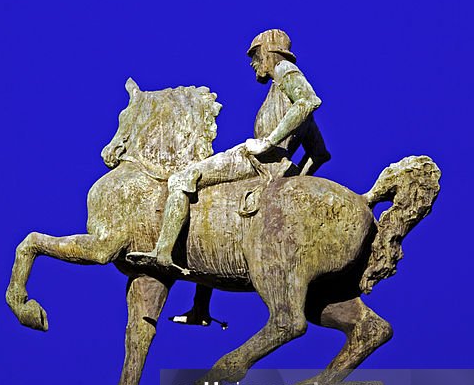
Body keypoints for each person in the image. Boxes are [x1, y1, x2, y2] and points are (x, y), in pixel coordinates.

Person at [128, 29, 331, 325]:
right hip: (271, 170)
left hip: (255, 160)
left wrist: (269, 142)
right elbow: (320, 153)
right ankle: (200, 308)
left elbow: (309, 100)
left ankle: (162, 253)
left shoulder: (286, 71)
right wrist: (293, 177)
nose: (252, 63)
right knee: (208, 203)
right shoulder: (284, 99)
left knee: (184, 179)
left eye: (254, 55)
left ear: (269, 52)